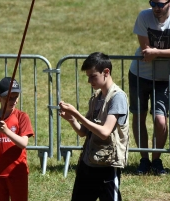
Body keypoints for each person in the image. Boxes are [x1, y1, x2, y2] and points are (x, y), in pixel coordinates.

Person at [128, 0, 170, 175]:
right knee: (139, 116)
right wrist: (163, 53)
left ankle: (156, 160)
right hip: (139, 74)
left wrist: (157, 52)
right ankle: (144, 160)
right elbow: (145, 51)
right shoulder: (144, 16)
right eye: (152, 3)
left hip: (164, 77)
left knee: (160, 120)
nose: (156, 7)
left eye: (160, 3)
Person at [59, 52, 129, 201]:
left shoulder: (118, 97)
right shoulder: (96, 97)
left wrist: (77, 114)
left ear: (106, 72)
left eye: (93, 76)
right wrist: (72, 119)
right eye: (88, 77)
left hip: (107, 166)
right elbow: (84, 132)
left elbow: (104, 132)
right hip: (88, 163)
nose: (90, 81)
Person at [0, 77, 34, 201]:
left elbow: (23, 143)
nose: (13, 101)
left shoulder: (22, 117)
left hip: (17, 172)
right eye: (9, 98)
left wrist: (6, 131)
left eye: (16, 97)